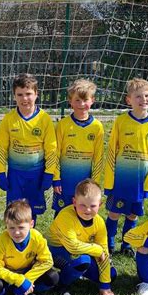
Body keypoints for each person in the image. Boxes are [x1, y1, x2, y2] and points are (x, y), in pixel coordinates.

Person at [104, 77, 148, 256]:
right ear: (129, 100)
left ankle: (127, 244)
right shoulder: (121, 120)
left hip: (140, 180)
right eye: (138, 96)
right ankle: (109, 243)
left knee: (132, 215)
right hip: (121, 179)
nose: (143, 99)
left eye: (147, 95)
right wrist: (109, 181)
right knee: (114, 213)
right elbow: (112, 151)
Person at [0, 73, 57, 223]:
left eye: (28, 94)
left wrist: (49, 173)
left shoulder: (44, 119)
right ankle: (14, 235)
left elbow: (51, 150)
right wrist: (0, 173)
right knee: (14, 210)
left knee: (32, 210)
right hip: (15, 174)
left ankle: (30, 234)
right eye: (20, 94)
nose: (24, 98)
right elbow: (1, 148)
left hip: (37, 174)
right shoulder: (8, 119)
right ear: (14, 96)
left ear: (36, 94)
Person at [0, 199, 59, 295]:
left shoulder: (37, 238)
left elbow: (47, 261)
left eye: (21, 227)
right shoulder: (0, 242)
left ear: (31, 224)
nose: (16, 232)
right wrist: (19, 280)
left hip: (27, 271)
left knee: (53, 277)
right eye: (11, 228)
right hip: (7, 274)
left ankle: (31, 291)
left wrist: (27, 280)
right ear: (6, 225)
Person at [48, 178, 117, 295]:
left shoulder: (99, 222)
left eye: (93, 206)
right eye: (82, 205)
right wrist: (97, 250)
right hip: (54, 251)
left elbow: (104, 251)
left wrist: (105, 285)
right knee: (83, 261)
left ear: (100, 205)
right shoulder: (65, 216)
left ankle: (76, 271)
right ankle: (60, 284)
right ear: (74, 202)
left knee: (110, 275)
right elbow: (73, 247)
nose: (87, 210)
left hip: (79, 251)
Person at [53, 78, 104, 214]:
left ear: (92, 100)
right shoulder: (63, 125)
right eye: (77, 100)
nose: (81, 104)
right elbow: (55, 154)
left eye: (85, 100)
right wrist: (56, 178)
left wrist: (94, 183)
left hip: (85, 183)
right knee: (62, 213)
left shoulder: (97, 127)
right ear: (70, 101)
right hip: (64, 182)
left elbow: (98, 158)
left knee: (83, 213)